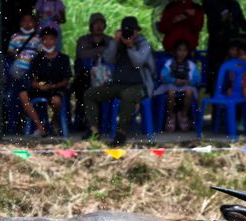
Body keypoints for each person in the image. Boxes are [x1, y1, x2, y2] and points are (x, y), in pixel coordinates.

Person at [82, 15, 154, 145]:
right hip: (117, 85)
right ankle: (94, 131)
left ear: (137, 31)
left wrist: (130, 46)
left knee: (127, 96)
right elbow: (108, 59)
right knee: (90, 94)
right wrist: (115, 42)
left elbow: (138, 62)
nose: (129, 34)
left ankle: (121, 134)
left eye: (131, 31)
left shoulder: (144, 44)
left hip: (139, 86)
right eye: (126, 31)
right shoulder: (118, 43)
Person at [21, 26, 70, 136]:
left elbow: (66, 81)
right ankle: (40, 127)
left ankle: (54, 120)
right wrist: (39, 86)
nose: (48, 42)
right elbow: (33, 80)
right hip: (41, 88)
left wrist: (53, 86)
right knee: (23, 94)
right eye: (45, 39)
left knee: (56, 101)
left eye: (51, 39)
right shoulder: (37, 58)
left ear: (56, 40)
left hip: (56, 89)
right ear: (41, 41)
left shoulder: (63, 58)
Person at [73, 12, 110, 125]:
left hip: (105, 77)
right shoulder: (83, 40)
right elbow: (82, 54)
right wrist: (100, 51)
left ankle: (101, 121)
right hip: (85, 76)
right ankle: (84, 120)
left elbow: (113, 56)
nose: (99, 26)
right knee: (83, 86)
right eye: (96, 23)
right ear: (91, 26)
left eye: (101, 23)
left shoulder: (110, 40)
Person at [157, 39, 201, 131]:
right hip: (171, 85)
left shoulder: (191, 64)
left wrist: (189, 81)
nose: (182, 53)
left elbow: (197, 79)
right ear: (175, 51)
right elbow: (163, 76)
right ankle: (171, 115)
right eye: (179, 50)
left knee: (189, 92)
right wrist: (174, 80)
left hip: (187, 85)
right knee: (171, 92)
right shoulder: (169, 63)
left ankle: (183, 115)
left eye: (184, 50)